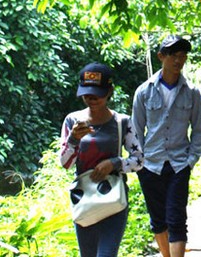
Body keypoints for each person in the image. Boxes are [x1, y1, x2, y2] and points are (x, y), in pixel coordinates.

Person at [59, 62, 144, 257]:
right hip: (84, 198)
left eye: (97, 93)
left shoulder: (122, 122)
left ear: (109, 92)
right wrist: (73, 139)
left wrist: (115, 163)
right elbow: (65, 163)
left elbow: (139, 159)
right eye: (87, 93)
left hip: (113, 198)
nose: (92, 98)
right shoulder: (72, 121)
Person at [132, 35, 201, 257]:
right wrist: (140, 163)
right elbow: (136, 131)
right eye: (174, 55)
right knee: (158, 220)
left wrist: (191, 160)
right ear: (161, 56)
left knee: (176, 218)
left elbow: (198, 130)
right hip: (150, 165)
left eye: (183, 56)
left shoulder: (191, 92)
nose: (178, 61)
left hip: (178, 165)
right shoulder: (144, 91)